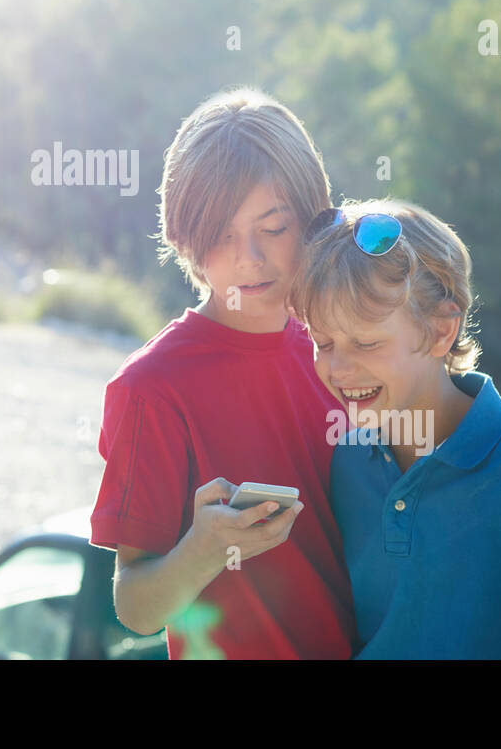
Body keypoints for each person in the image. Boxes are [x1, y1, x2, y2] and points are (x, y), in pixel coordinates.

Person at [89, 86, 357, 659]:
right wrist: (203, 550)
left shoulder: (346, 347)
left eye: (274, 227)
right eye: (221, 235)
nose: (249, 258)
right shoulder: (151, 388)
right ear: (184, 238)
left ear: (313, 219)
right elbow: (135, 607)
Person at [296, 198, 501, 659]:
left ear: (442, 331)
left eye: (366, 342)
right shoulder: (346, 460)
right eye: (322, 341)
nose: (338, 368)